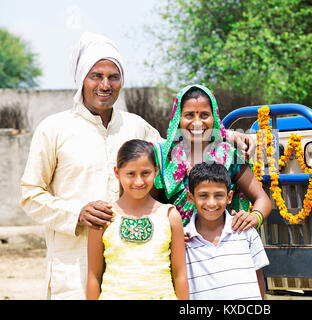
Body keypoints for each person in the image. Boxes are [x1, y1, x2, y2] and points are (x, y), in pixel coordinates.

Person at [19, 32, 164, 299]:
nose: (105, 85)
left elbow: (177, 158)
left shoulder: (137, 126)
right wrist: (77, 213)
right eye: (96, 75)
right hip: (73, 265)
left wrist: (231, 138)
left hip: (130, 266)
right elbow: (30, 195)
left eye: (114, 77)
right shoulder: (54, 129)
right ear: (81, 79)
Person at [153, 84, 271, 231]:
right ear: (178, 118)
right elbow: (148, 206)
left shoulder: (229, 156)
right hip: (174, 247)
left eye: (204, 115)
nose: (197, 123)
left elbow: (262, 199)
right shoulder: (163, 156)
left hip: (220, 246)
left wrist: (254, 217)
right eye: (189, 115)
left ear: (214, 117)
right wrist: (170, 233)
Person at [86, 139, 188, 299]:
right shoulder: (104, 217)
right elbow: (93, 276)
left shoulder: (169, 216)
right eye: (131, 174)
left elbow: (180, 274)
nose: (139, 181)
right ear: (117, 173)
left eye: (145, 173)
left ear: (156, 171)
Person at [184, 162, 269, 299]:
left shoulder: (245, 231)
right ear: (190, 197)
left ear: (229, 197)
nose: (211, 203)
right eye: (203, 195)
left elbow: (258, 278)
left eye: (218, 195)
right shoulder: (184, 240)